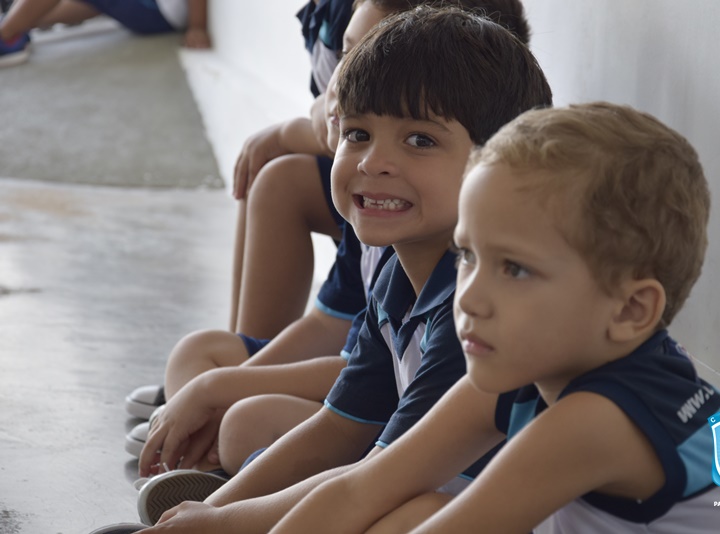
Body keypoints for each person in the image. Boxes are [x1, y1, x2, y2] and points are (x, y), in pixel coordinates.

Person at [88, 5, 552, 533]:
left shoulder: (475, 308)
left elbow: (372, 481)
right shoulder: (397, 279)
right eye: (357, 134)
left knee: (402, 516)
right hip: (419, 489)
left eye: (420, 140)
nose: (372, 162)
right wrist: (207, 513)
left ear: (497, 164)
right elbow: (337, 427)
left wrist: (222, 525)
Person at [269, 102, 720, 533]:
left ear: (630, 310)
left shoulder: (598, 420)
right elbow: (361, 488)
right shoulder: (524, 364)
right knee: (410, 512)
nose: (469, 299)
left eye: (515, 269)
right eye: (467, 256)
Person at [0, 0, 209, 67]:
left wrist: (197, 26)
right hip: (153, 8)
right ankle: (18, 27)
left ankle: (5, 35)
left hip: (158, 12)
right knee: (94, 4)